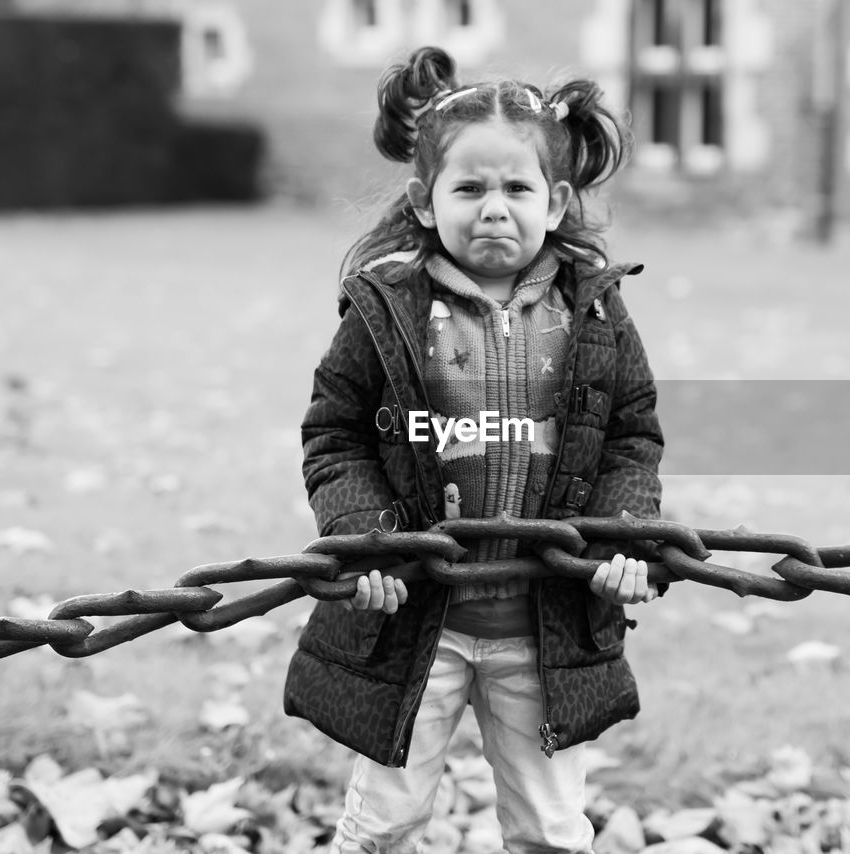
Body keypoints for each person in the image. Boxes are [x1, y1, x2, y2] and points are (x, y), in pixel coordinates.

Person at [283, 45, 664, 854]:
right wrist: (366, 540)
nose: (495, 209)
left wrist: (623, 534)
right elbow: (336, 434)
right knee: (384, 819)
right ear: (425, 203)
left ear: (556, 202)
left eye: (517, 188)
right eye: (470, 188)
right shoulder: (387, 309)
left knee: (553, 829)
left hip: (546, 622)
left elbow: (630, 433)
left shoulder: (594, 312)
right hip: (417, 619)